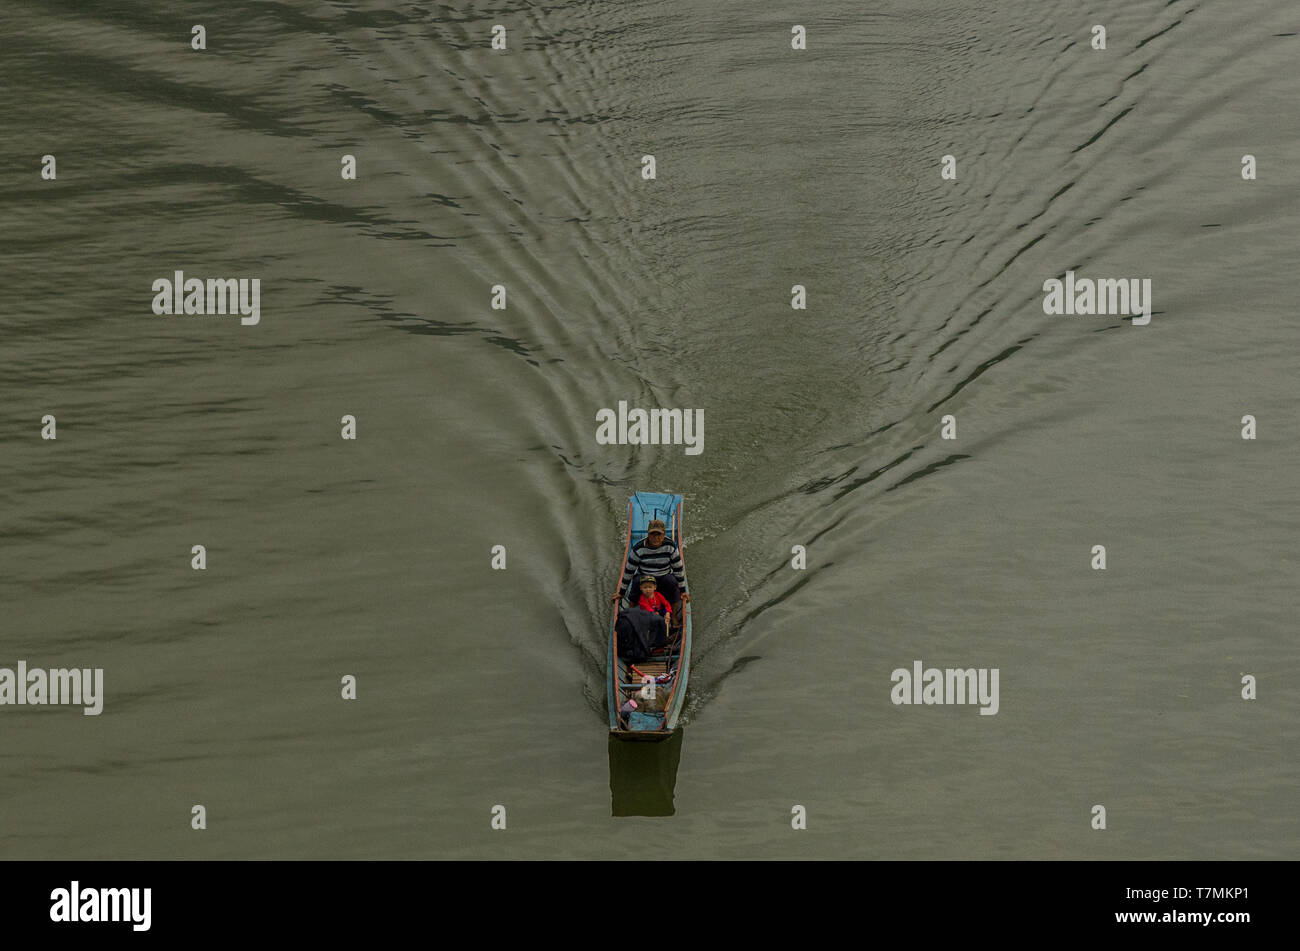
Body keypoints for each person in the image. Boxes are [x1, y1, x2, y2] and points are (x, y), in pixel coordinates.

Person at [612, 520, 690, 622]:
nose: (656, 538)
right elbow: (629, 572)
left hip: (663, 577)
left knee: (672, 581)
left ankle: (673, 616)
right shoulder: (638, 549)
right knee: (636, 581)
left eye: (659, 535)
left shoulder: (670, 547)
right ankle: (631, 616)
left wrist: (683, 591)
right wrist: (621, 592)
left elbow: (678, 570)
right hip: (645, 578)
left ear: (664, 535)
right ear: (648, 534)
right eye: (652, 534)